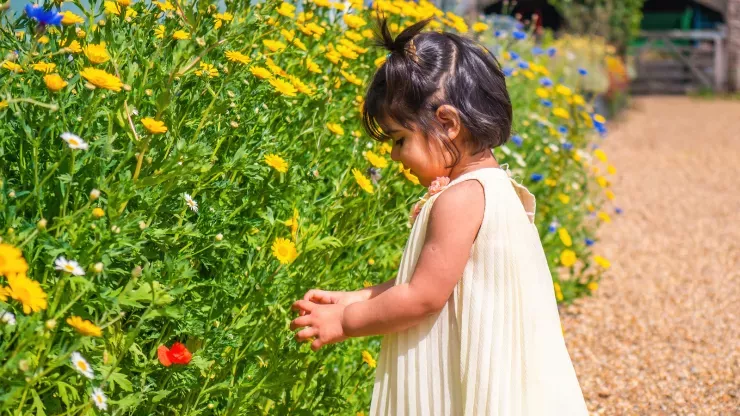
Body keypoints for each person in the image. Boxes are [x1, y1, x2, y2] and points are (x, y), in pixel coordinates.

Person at [291, 16, 589, 415]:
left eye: (400, 139)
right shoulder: (495, 187)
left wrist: (347, 323)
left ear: (447, 123)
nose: (395, 155)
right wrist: (353, 298)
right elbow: (426, 283)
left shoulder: (463, 198)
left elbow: (422, 297)